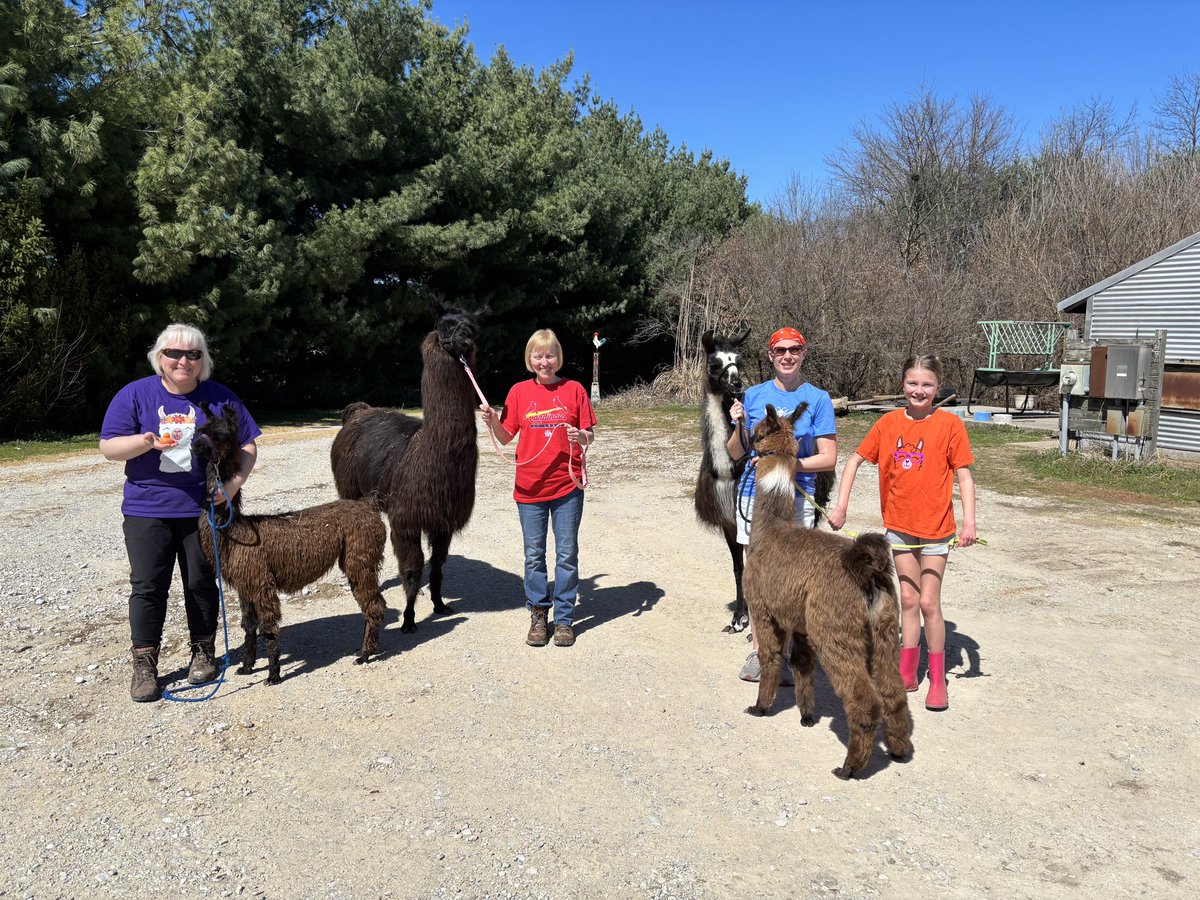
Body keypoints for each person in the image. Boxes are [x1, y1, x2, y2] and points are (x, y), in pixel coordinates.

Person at [100, 324, 261, 702]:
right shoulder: (135, 394)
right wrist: (144, 442)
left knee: (200, 582)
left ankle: (203, 652)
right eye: (174, 353)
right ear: (160, 357)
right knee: (148, 587)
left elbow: (250, 443)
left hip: (201, 510)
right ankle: (144, 664)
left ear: (203, 361)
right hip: (147, 507)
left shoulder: (220, 398)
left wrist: (233, 485)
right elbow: (109, 447)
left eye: (193, 354)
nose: (183, 361)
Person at [828, 354, 977, 712]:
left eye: (927, 385)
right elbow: (854, 460)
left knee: (928, 603)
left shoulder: (950, 426)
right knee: (907, 601)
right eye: (913, 383)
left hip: (937, 530)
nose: (919, 390)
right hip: (899, 528)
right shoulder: (888, 424)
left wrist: (969, 521)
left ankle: (938, 679)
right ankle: (907, 672)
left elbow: (965, 475)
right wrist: (841, 505)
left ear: (938, 388)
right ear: (903, 385)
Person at [727, 326, 837, 682]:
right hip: (755, 497)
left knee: (790, 577)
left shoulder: (818, 399)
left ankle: (786, 653)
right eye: (780, 351)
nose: (787, 356)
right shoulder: (754, 395)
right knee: (757, 575)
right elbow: (736, 451)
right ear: (770, 355)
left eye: (794, 350)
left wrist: (786, 463)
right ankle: (761, 652)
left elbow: (829, 458)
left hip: (796, 496)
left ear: (804, 354)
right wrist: (737, 424)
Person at [480, 329, 597, 648]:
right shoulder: (518, 392)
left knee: (567, 554)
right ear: (529, 360)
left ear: (558, 357)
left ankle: (563, 620)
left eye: (550, 355)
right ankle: (538, 614)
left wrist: (580, 437)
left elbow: (590, 435)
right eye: (538, 355)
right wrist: (492, 421)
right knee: (534, 555)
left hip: (567, 486)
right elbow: (506, 437)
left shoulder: (574, 390)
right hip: (529, 488)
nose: (544, 361)